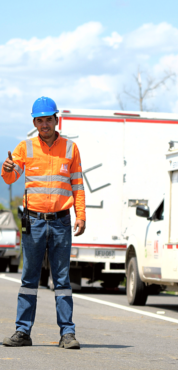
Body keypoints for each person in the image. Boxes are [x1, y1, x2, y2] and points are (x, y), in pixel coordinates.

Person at [1, 97, 86, 349]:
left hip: (61, 221)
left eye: (49, 119)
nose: (45, 124)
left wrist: (80, 215)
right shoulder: (24, 148)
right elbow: (10, 177)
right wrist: (6, 169)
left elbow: (77, 185)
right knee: (29, 277)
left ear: (56, 120)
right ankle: (22, 332)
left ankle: (67, 334)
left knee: (62, 279)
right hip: (34, 222)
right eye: (40, 120)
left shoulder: (70, 149)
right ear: (35, 122)